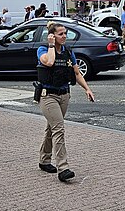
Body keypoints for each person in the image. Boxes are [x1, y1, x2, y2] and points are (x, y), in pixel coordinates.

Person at [37, 22, 95, 182]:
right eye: (60, 34)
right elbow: (48, 62)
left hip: (64, 95)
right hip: (48, 95)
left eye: (65, 33)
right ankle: (63, 168)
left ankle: (44, 160)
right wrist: (50, 45)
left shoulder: (69, 52)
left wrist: (87, 89)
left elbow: (76, 73)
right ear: (52, 35)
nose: (64, 36)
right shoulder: (42, 49)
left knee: (52, 128)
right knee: (58, 129)